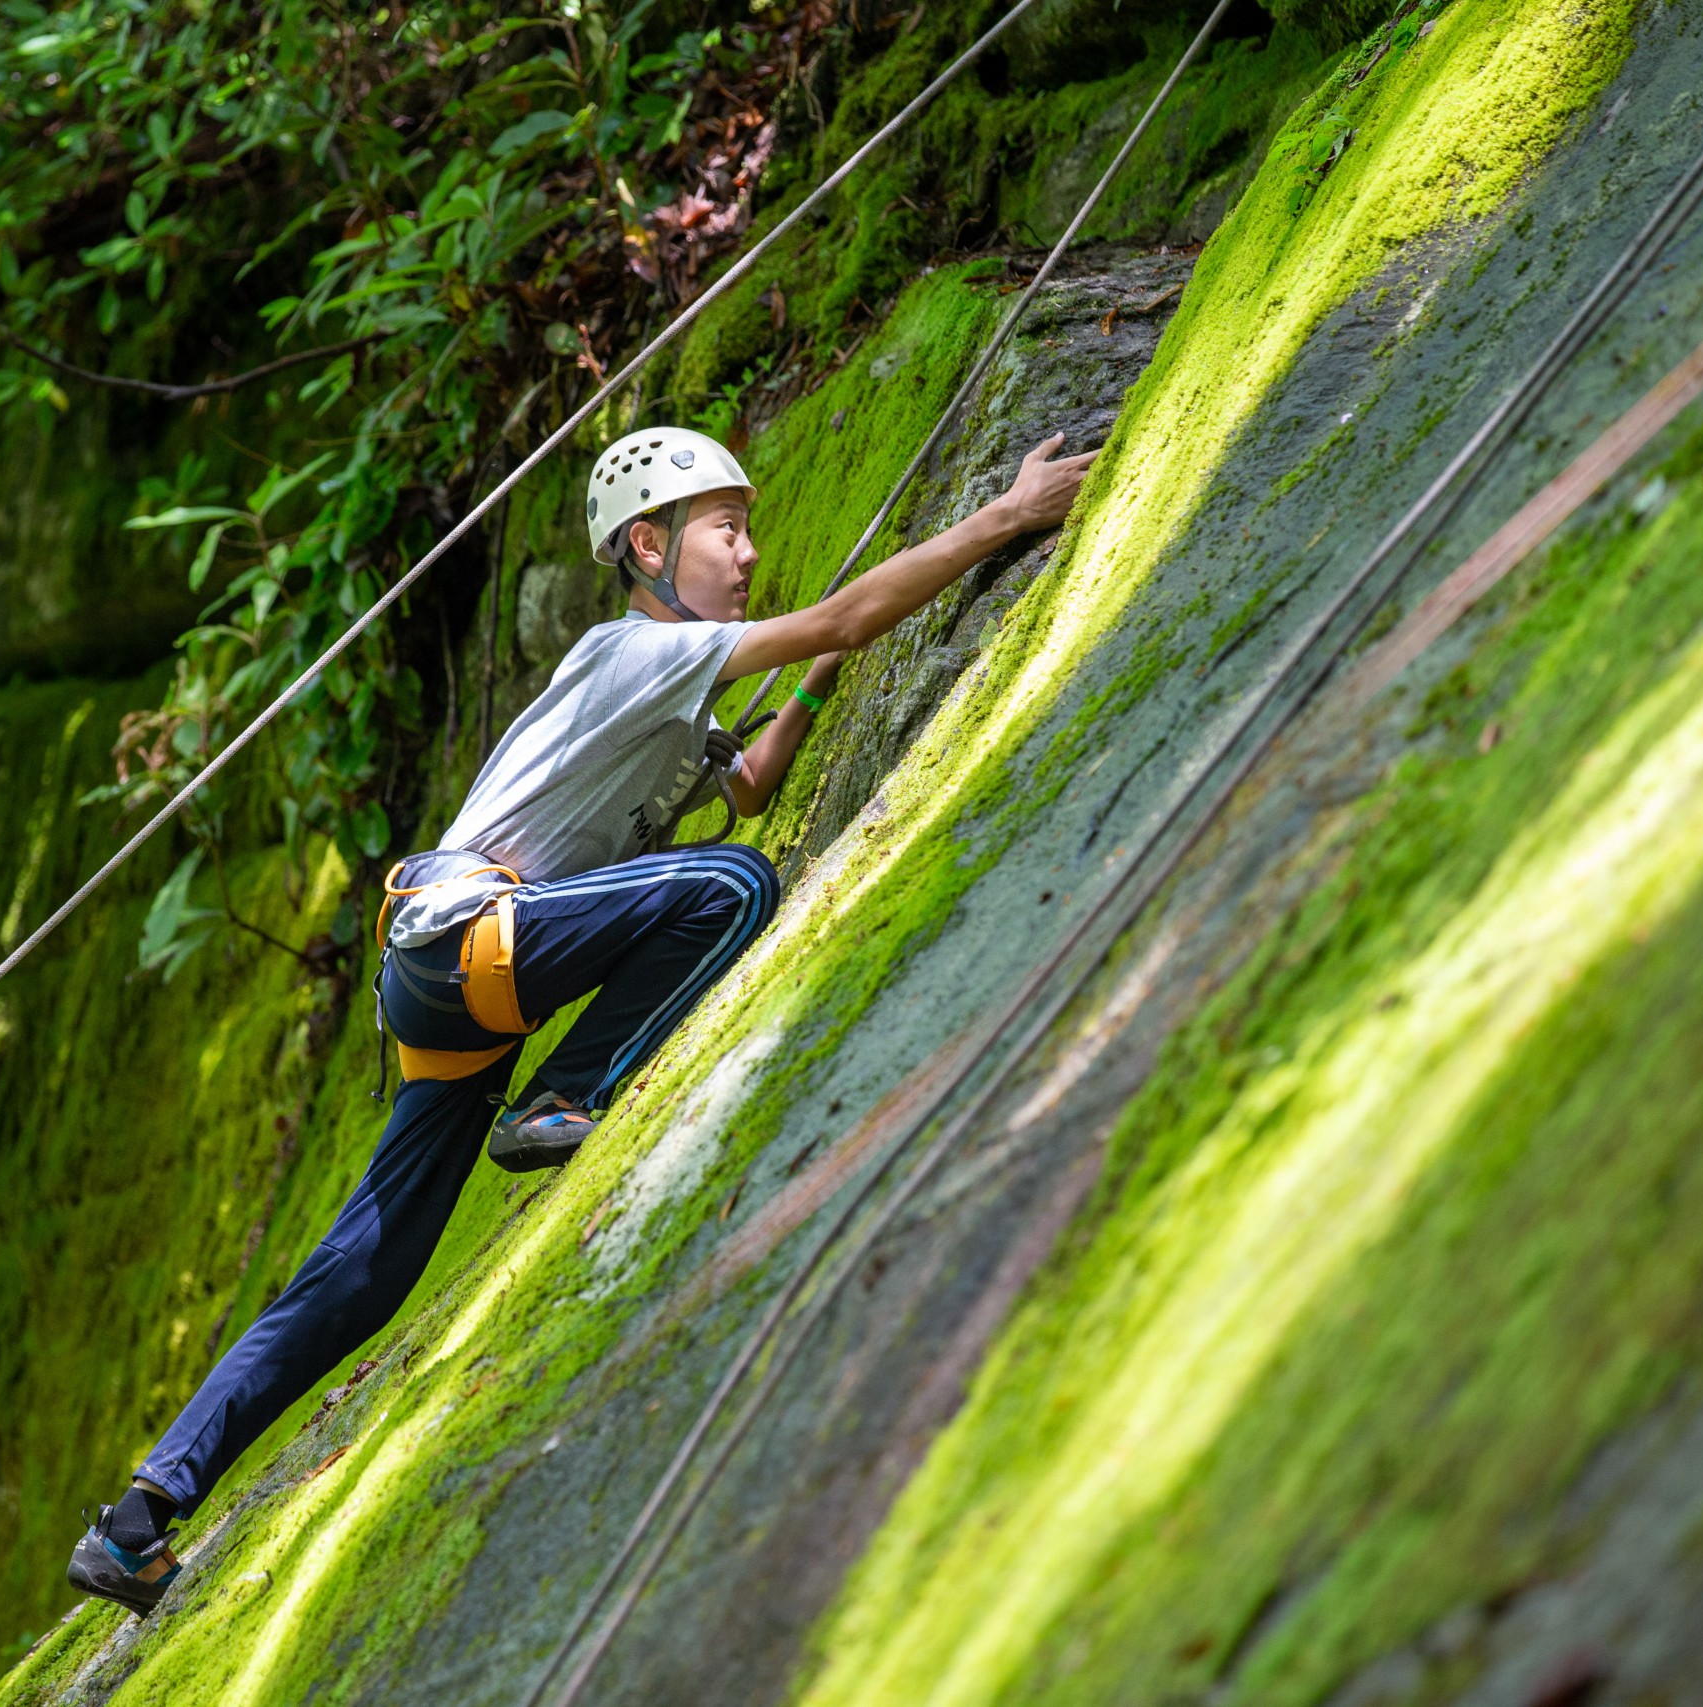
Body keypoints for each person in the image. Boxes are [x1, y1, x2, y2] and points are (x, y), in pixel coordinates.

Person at [68, 424, 1096, 1613]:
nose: (748, 552)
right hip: (473, 934)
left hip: (451, 980)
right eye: (725, 530)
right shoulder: (631, 654)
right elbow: (841, 620)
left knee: (367, 1266)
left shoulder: (663, 699)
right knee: (731, 886)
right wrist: (1004, 521)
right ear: (647, 546)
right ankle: (565, 1096)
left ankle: (141, 1515)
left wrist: (809, 691)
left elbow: (748, 780)